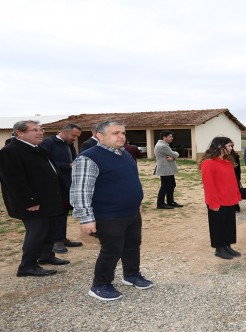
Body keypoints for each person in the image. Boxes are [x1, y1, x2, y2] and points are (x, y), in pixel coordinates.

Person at [71, 120, 153, 301]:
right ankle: (100, 285)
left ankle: (131, 275)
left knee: (132, 245)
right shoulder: (88, 158)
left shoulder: (125, 154)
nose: (121, 136)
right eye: (115, 133)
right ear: (100, 136)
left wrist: (137, 202)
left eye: (123, 133)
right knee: (112, 250)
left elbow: (130, 180)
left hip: (131, 212)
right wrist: (86, 218)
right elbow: (80, 191)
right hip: (107, 215)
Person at [0, 120, 70, 277]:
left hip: (49, 201)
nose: (40, 132)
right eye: (35, 130)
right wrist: (29, 201)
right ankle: (27, 266)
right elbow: (14, 180)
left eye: (41, 129)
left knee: (49, 230)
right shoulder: (11, 151)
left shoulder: (38, 148)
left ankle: (45, 256)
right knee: (37, 233)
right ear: (20, 133)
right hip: (33, 203)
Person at [40, 123, 84, 253]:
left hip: (67, 184)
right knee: (57, 213)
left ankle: (62, 238)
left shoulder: (69, 145)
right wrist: (68, 165)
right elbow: (44, 164)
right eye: (73, 135)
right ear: (64, 132)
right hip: (54, 186)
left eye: (76, 136)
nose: (74, 138)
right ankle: (56, 242)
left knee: (64, 212)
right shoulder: (48, 143)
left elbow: (74, 160)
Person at [200, 137, 242, 260]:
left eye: (231, 146)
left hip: (229, 199)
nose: (231, 148)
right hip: (217, 200)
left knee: (229, 224)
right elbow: (209, 185)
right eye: (229, 146)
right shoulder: (208, 163)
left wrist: (237, 195)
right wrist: (213, 202)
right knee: (218, 225)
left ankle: (227, 246)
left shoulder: (227, 162)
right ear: (220, 147)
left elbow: (233, 181)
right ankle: (219, 249)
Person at [154, 130, 183, 209]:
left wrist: (173, 157)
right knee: (165, 186)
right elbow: (175, 154)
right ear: (164, 137)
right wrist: (174, 155)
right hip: (165, 169)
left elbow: (172, 155)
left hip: (167, 168)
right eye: (170, 136)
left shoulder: (163, 144)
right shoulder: (162, 146)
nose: (172, 138)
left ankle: (170, 202)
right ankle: (160, 204)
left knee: (171, 185)